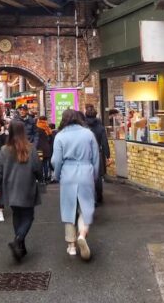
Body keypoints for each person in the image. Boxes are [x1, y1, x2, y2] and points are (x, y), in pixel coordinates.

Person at [0, 120, 43, 261]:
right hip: (27, 187)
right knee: (28, 216)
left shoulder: (4, 149)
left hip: (10, 187)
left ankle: (20, 245)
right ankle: (18, 240)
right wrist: (41, 178)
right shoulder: (30, 148)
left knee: (17, 215)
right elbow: (37, 168)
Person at [52, 108, 99, 261]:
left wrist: (57, 175)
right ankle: (82, 235)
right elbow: (96, 157)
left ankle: (71, 246)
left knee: (68, 209)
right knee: (85, 208)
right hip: (86, 172)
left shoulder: (60, 136)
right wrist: (94, 175)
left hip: (68, 173)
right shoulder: (88, 134)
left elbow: (56, 161)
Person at [84, 105, 110, 205]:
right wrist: (108, 155)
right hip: (97, 153)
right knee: (98, 176)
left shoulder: (83, 127)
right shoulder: (100, 127)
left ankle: (88, 197)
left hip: (85, 153)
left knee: (86, 175)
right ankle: (99, 196)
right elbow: (104, 142)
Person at [36, 116, 53, 183]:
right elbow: (50, 138)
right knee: (46, 164)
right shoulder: (47, 128)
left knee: (40, 164)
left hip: (39, 148)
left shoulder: (37, 127)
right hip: (46, 148)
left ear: (39, 120)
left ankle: (41, 178)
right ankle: (46, 178)